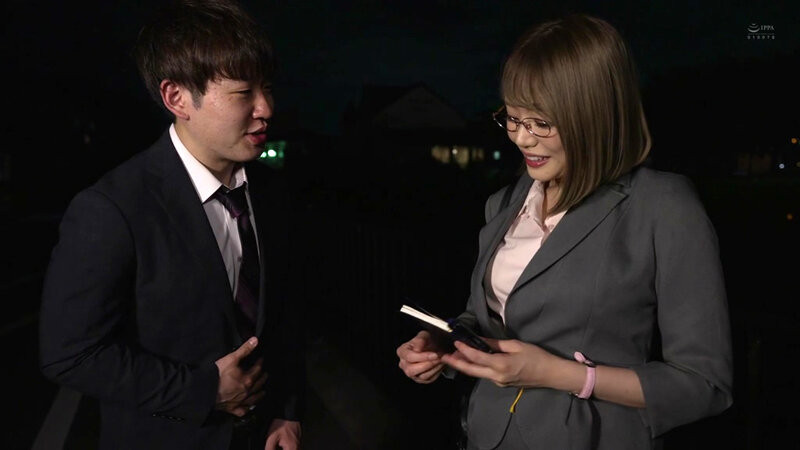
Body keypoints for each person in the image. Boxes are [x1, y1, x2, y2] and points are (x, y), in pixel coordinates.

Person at [397, 14, 732, 449]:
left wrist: (562, 375)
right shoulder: (504, 203)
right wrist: (443, 345)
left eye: (541, 123)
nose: (521, 139)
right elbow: (488, 320)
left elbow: (704, 384)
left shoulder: (663, 205)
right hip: (486, 436)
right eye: (512, 118)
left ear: (596, 117)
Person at [39, 1, 303, 449]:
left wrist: (287, 411)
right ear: (177, 98)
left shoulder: (273, 192)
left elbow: (286, 315)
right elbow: (70, 354)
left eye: (268, 88)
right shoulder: (113, 208)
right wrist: (202, 391)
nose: (266, 108)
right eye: (243, 93)